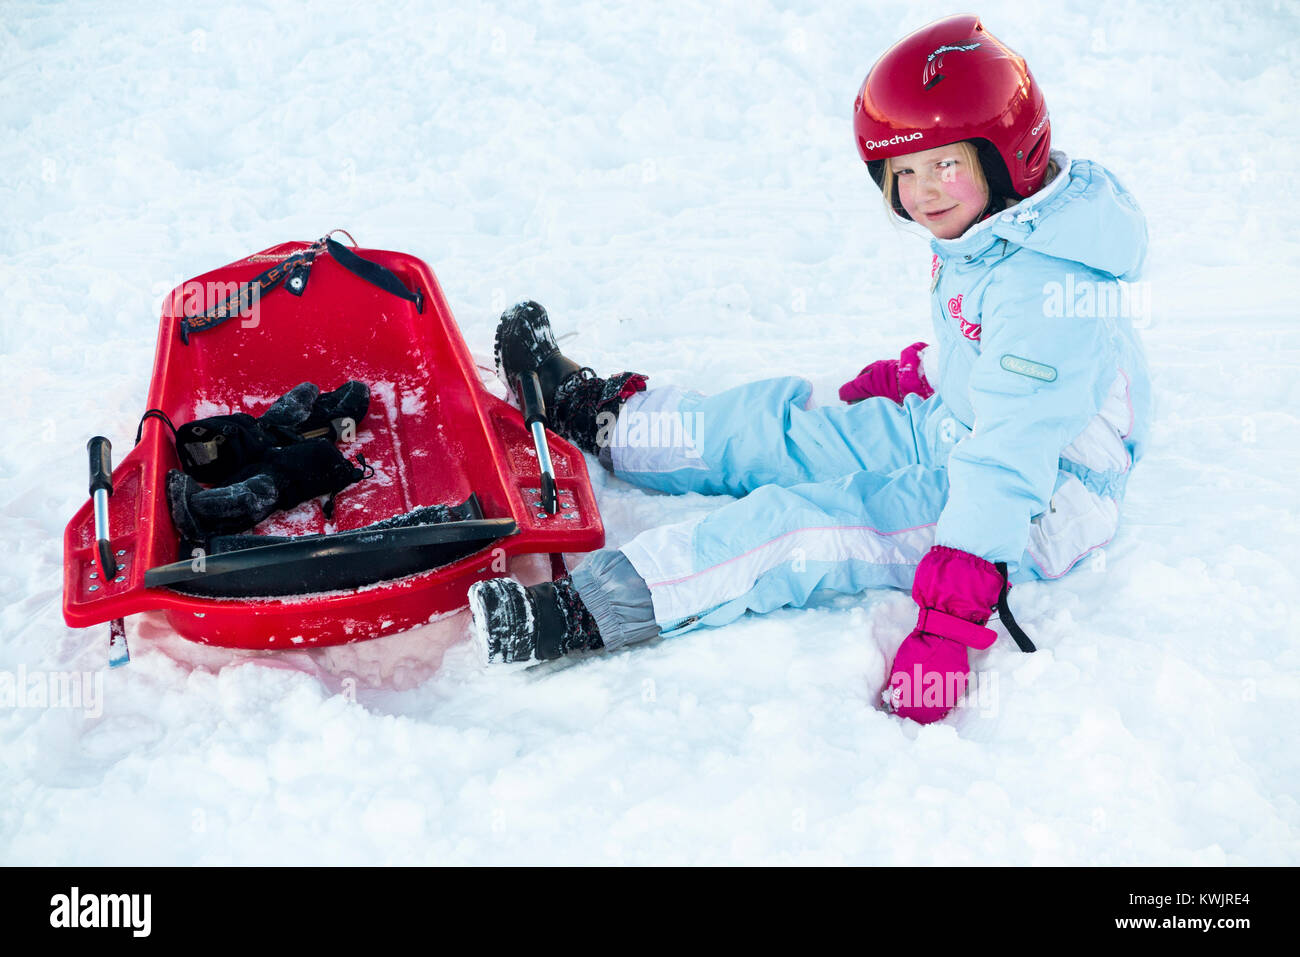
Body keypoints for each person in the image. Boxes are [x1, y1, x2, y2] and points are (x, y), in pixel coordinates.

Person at [467, 14, 1150, 724]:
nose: (923, 191)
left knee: (802, 526)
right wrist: (918, 374)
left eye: (945, 163)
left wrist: (948, 624)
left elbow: (1010, 457)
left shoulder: (1047, 292)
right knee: (779, 425)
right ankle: (603, 418)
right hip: (961, 424)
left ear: (1006, 155)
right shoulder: (1001, 228)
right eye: (904, 170)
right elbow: (993, 360)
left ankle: (584, 609)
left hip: (1037, 499)